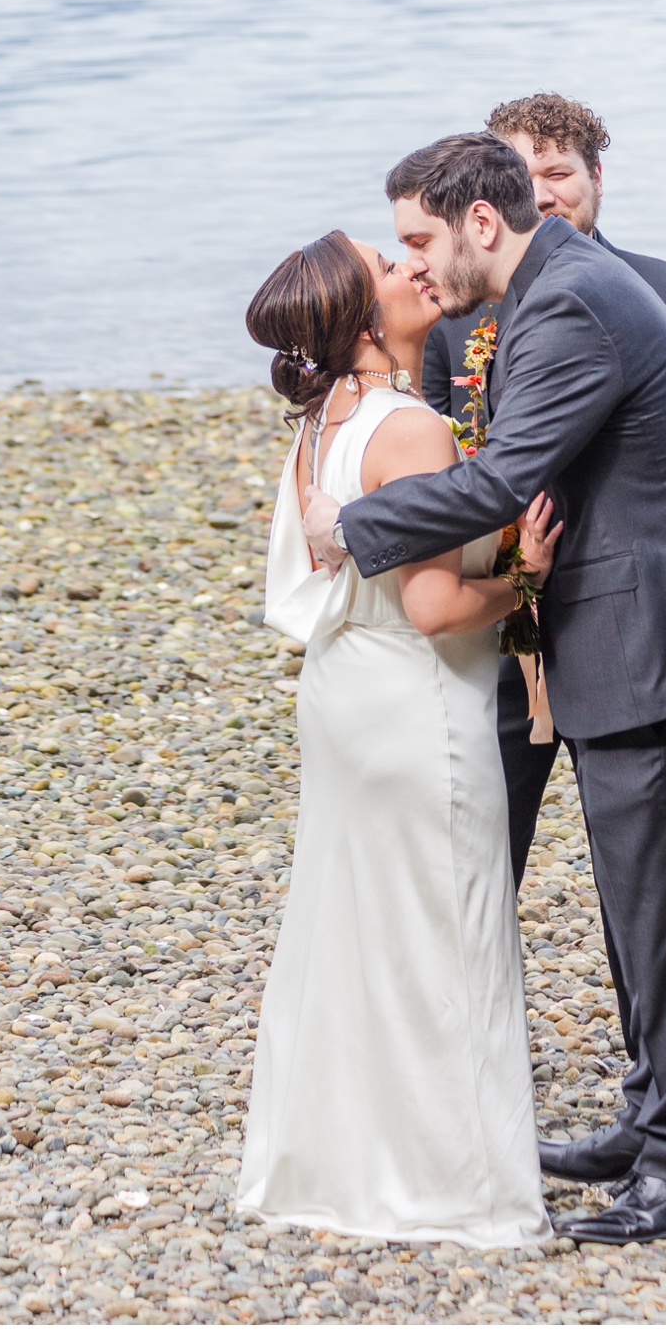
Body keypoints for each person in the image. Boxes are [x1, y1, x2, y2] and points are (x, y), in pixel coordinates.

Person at [303, 135, 666, 1245]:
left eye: (420, 237)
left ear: (479, 220)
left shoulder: (566, 306)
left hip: (657, 648)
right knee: (641, 908)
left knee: (665, 918)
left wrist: (351, 524)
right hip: (627, 640)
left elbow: (504, 474)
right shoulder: (561, 287)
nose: (417, 264)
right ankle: (651, 1124)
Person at [237, 228, 559, 1247]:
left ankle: (330, 1165)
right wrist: (530, 573)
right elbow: (431, 602)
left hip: (343, 698)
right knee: (445, 935)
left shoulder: (319, 419)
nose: (417, 266)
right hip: (417, 701)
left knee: (349, 935)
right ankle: (459, 1188)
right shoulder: (410, 429)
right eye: (391, 262)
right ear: (364, 317)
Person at [423, 92, 666, 893]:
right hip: (493, 626)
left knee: (651, 883)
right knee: (472, 867)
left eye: (558, 172)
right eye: (524, 174)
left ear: (597, 178)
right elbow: (437, 448)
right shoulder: (453, 314)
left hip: (624, 625)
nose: (544, 190)